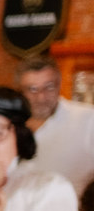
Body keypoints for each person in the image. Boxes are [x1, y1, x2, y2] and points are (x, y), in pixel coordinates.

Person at [18, 54, 94, 191]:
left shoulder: (88, 119)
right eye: (32, 89)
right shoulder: (9, 125)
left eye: (49, 87)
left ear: (59, 85)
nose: (41, 97)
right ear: (20, 91)